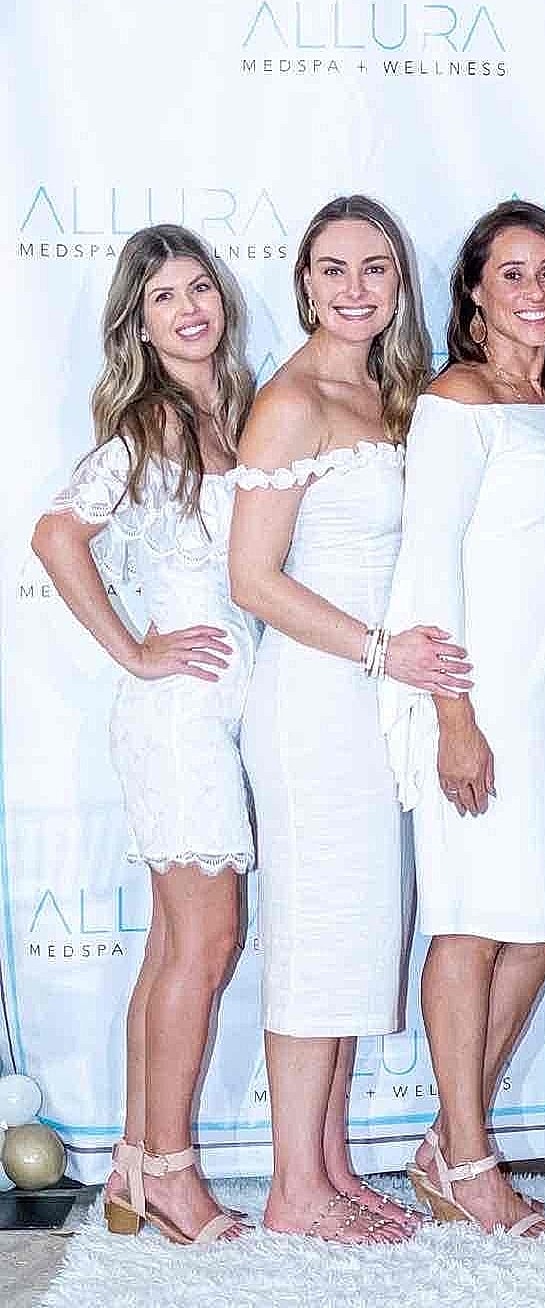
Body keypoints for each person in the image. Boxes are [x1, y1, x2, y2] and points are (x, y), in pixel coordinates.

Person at [228, 195, 467, 1244]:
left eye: (375, 268)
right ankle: (292, 1190)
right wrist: (378, 652)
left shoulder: (392, 392)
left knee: (352, 937)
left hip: (380, 704)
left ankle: (326, 1166)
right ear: (306, 283)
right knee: (313, 937)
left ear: (398, 282)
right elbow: (252, 577)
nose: (356, 288)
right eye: (334, 270)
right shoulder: (291, 400)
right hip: (316, 701)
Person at [380, 200, 545, 1238]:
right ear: (473, 292)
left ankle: (442, 1142)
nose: (534, 292)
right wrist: (454, 719)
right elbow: (427, 573)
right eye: (511, 274)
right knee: (469, 925)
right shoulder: (454, 403)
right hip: (480, 701)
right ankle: (469, 1160)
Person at [32, 225, 255, 1245]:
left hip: (223, 712)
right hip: (179, 718)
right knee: (203, 945)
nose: (189, 307)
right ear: (140, 323)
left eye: (200, 286)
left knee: (176, 944)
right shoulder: (152, 426)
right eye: (164, 296)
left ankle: (132, 1163)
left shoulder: (237, 414)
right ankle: (171, 1173)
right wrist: (132, 648)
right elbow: (55, 533)